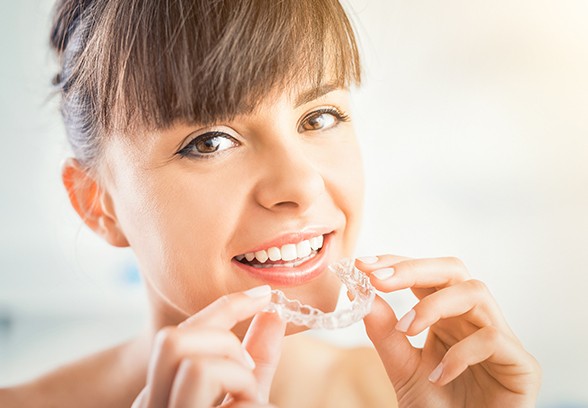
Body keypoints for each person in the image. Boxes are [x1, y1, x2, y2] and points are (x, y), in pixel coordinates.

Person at [0, 0, 541, 406]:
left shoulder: (437, 394)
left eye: (318, 118)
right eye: (210, 141)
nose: (300, 185)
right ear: (99, 204)